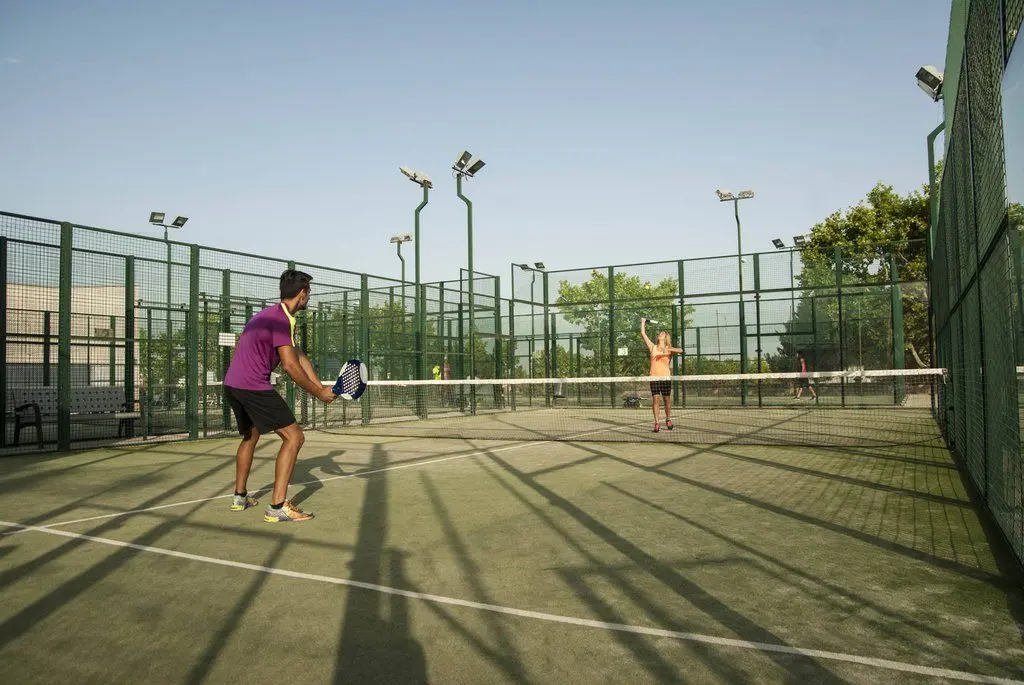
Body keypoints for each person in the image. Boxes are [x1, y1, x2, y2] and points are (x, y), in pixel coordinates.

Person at [223, 269, 337, 523]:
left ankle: (239, 497)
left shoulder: (269, 315)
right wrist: (319, 393)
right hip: (253, 385)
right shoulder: (281, 320)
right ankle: (277, 507)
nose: (309, 297)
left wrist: (321, 387)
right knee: (294, 437)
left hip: (232, 384)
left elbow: (298, 355)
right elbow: (289, 365)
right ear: (303, 294)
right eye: (309, 292)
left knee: (250, 436)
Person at [640, 318, 683, 432]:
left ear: (666, 338)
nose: (661, 334)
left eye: (663, 334)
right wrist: (643, 322)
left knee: (667, 400)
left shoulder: (668, 349)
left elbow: (681, 350)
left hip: (665, 378)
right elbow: (643, 334)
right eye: (660, 333)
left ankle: (668, 419)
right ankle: (657, 423)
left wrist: (667, 349)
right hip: (654, 377)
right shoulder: (653, 347)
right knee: (655, 400)